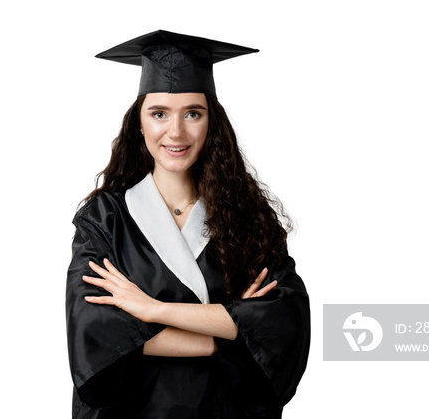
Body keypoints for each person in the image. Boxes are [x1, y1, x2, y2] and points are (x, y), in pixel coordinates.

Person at [66, 30, 310, 419]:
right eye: (159, 113)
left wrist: (149, 310)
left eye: (192, 113)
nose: (175, 132)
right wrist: (231, 327)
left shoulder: (249, 219)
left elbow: (282, 329)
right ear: (139, 124)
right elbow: (95, 335)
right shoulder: (105, 219)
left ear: (212, 123)